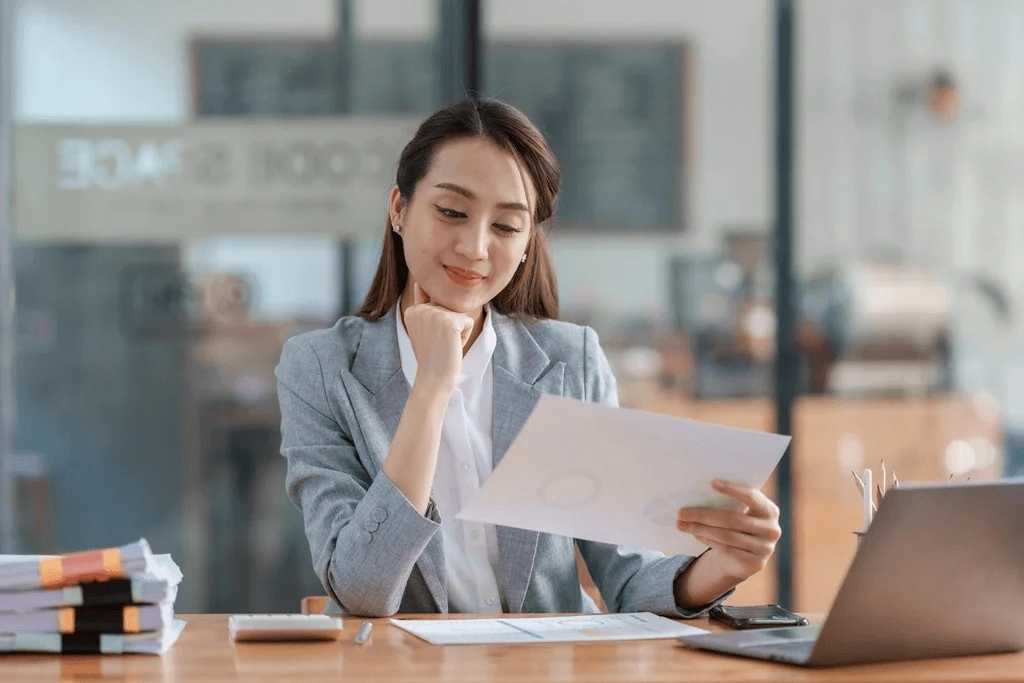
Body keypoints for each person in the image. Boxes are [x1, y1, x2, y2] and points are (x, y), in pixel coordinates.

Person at [276, 98, 781, 617]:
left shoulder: (571, 359)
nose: (475, 247)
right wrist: (432, 385)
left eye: (506, 226)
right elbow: (361, 589)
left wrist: (723, 564)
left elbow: (626, 578)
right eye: (452, 212)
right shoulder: (321, 368)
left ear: (526, 245)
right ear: (399, 209)